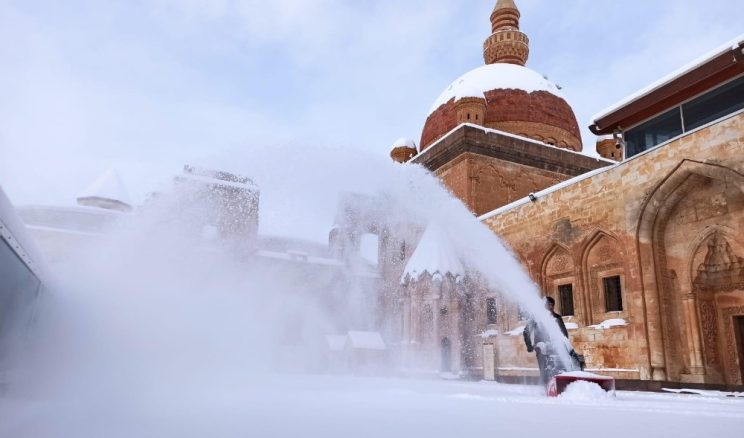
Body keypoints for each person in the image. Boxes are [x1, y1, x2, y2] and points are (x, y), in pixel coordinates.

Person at [523, 297, 583, 385]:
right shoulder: (536, 318)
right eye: (548, 305)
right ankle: (546, 386)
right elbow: (526, 332)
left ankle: (565, 383)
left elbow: (564, 333)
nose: (550, 307)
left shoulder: (557, 317)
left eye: (551, 305)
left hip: (557, 346)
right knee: (545, 368)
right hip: (542, 347)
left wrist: (565, 345)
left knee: (563, 365)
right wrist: (529, 346)